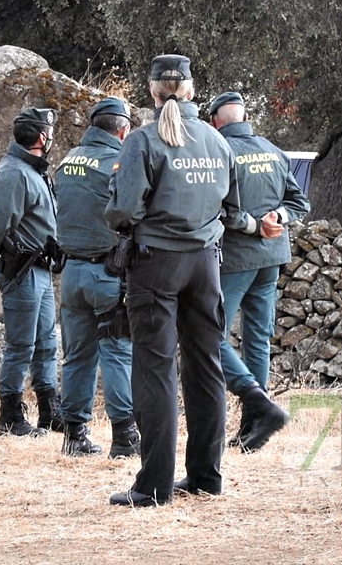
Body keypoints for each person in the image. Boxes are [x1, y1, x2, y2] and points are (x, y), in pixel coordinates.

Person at [103, 55, 272, 508]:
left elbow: (123, 211)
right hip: (206, 264)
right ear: (193, 91)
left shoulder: (141, 141)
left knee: (156, 370)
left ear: (153, 91)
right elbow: (233, 211)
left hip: (156, 263)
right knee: (206, 368)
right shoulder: (217, 142)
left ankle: (153, 486)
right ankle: (205, 477)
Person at [207, 91, 310, 453]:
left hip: (236, 259)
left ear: (217, 120)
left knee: (209, 334)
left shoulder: (220, 151)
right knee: (257, 340)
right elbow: (300, 202)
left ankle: (258, 407)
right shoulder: (272, 149)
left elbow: (223, 209)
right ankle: (253, 426)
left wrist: (255, 225)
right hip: (272, 257)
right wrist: (277, 218)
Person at [53, 97, 140, 458]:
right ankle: (125, 437)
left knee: (77, 356)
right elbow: (132, 212)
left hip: (70, 273)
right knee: (117, 352)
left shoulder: (67, 161)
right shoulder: (117, 162)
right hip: (108, 272)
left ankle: (74, 434)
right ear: (122, 130)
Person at [0, 107, 65, 438]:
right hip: (23, 271)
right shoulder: (15, 173)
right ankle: (10, 417)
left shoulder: (33, 170)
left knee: (45, 343)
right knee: (21, 345)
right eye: (49, 132)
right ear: (42, 137)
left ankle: (49, 412)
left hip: (39, 269)